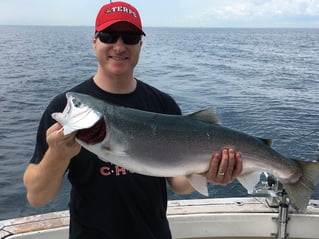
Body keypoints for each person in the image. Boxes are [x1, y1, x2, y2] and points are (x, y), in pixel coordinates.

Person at [23, 2, 243, 239]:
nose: (119, 46)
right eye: (108, 36)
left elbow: (179, 183)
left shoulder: (163, 105)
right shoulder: (64, 108)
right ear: (95, 42)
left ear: (140, 44)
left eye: (129, 37)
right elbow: (38, 197)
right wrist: (58, 154)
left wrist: (208, 173)